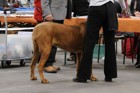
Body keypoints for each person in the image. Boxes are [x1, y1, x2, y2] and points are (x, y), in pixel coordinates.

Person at [73, 0, 126, 83]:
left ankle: (83, 76)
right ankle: (109, 75)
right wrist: (124, 8)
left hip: (95, 8)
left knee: (89, 42)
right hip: (110, 8)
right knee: (110, 42)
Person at [41, 0, 72, 73]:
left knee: (56, 42)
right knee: (50, 42)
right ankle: (47, 64)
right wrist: (47, 14)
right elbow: (44, 1)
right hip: (52, 16)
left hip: (61, 15)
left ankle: (50, 63)